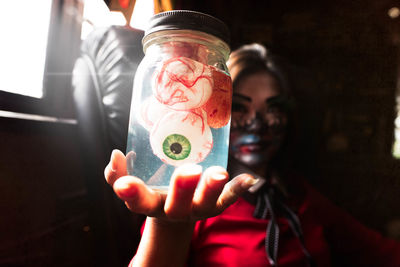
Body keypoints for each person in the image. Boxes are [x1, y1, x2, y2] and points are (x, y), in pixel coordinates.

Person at [104, 43, 400, 267]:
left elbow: (383, 251)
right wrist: (168, 226)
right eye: (239, 108)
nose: (257, 124)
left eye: (272, 109)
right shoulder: (191, 201)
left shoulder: (300, 195)